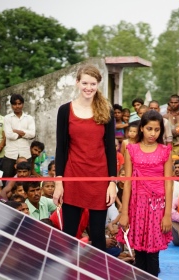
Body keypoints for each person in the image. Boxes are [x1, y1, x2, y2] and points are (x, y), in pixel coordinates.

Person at [53, 64, 117, 252]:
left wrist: (112, 182)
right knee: (69, 233)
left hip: (99, 179)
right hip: (73, 177)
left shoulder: (106, 110)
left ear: (98, 85)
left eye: (93, 84)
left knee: (97, 233)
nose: (88, 87)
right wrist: (59, 182)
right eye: (85, 83)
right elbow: (61, 148)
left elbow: (110, 150)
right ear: (77, 83)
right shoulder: (65, 111)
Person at [118, 110, 173, 277]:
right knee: (139, 252)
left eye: (157, 130)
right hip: (136, 205)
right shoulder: (131, 149)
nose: (153, 133)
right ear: (141, 128)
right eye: (149, 129)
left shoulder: (165, 150)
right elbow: (127, 183)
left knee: (153, 252)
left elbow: (169, 184)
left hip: (157, 207)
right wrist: (125, 213)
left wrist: (168, 214)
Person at [2, 94, 36, 178]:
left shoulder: (29, 118)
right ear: (11, 105)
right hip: (10, 154)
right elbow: (9, 135)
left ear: (23, 104)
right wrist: (24, 134)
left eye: (19, 103)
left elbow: (32, 134)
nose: (17, 106)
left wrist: (17, 131)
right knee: (7, 179)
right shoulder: (7, 118)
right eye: (14, 104)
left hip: (25, 153)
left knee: (26, 179)